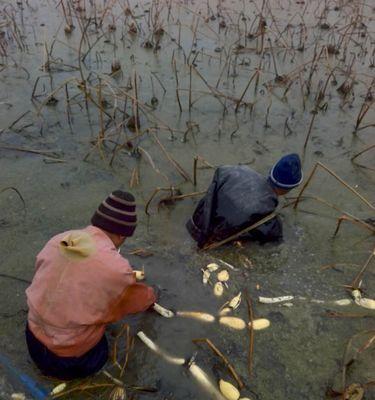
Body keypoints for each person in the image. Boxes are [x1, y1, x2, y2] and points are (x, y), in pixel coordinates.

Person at [25, 191, 156, 380]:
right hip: (68, 360)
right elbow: (133, 301)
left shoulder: (59, 239)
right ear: (122, 235)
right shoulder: (116, 268)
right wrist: (151, 296)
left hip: (32, 339)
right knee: (103, 340)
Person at [186, 154, 303, 248]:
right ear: (291, 188)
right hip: (212, 243)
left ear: (271, 172)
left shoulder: (234, 171)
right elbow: (273, 244)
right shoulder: (270, 219)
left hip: (194, 226)